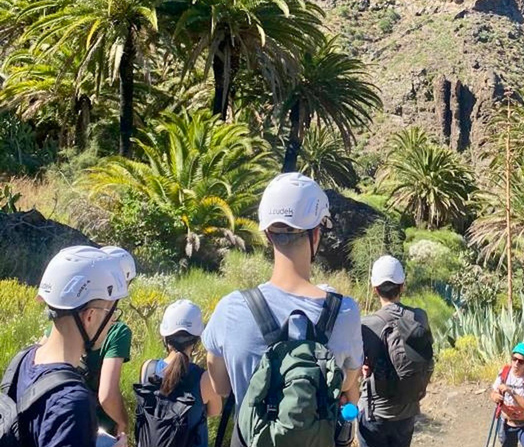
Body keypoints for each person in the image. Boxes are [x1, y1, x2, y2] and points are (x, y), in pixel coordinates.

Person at [202, 172, 364, 446]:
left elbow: (221, 387)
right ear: (316, 234)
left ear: (268, 235)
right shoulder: (345, 312)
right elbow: (348, 384)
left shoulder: (230, 309)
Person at [5, 247, 129, 447]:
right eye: (111, 313)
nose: (113, 321)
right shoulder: (72, 404)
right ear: (90, 317)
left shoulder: (21, 360)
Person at [41, 245, 136, 436]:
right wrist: (124, 423)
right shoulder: (118, 331)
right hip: (96, 424)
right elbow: (107, 395)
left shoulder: (60, 324)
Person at [359, 255, 434, 447]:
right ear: (402, 286)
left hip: (376, 413)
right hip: (408, 412)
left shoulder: (367, 324)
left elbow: (358, 365)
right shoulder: (419, 316)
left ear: (375, 289)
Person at [136, 299, 222, 447]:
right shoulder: (205, 379)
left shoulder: (147, 368)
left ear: (165, 338)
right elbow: (214, 411)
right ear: (196, 340)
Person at [490, 343, 524, 447]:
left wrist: (511, 392)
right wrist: (495, 396)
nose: (516, 363)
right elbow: (493, 392)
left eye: (521, 361)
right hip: (506, 422)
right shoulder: (504, 373)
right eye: (514, 359)